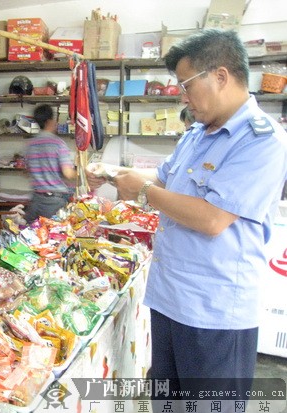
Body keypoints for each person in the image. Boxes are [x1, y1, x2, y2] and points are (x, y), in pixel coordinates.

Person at [87, 29, 287, 402]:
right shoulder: (198, 133)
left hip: (215, 311)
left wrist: (144, 192)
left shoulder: (262, 141)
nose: (182, 95)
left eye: (186, 84)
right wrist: (112, 172)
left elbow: (213, 218)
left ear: (221, 76)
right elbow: (164, 178)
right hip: (170, 299)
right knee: (167, 401)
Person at [24, 104, 76, 223]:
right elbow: (68, 173)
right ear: (50, 121)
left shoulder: (30, 144)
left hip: (35, 200)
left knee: (33, 236)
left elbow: (28, 171)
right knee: (55, 237)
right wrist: (83, 175)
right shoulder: (58, 143)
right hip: (53, 203)